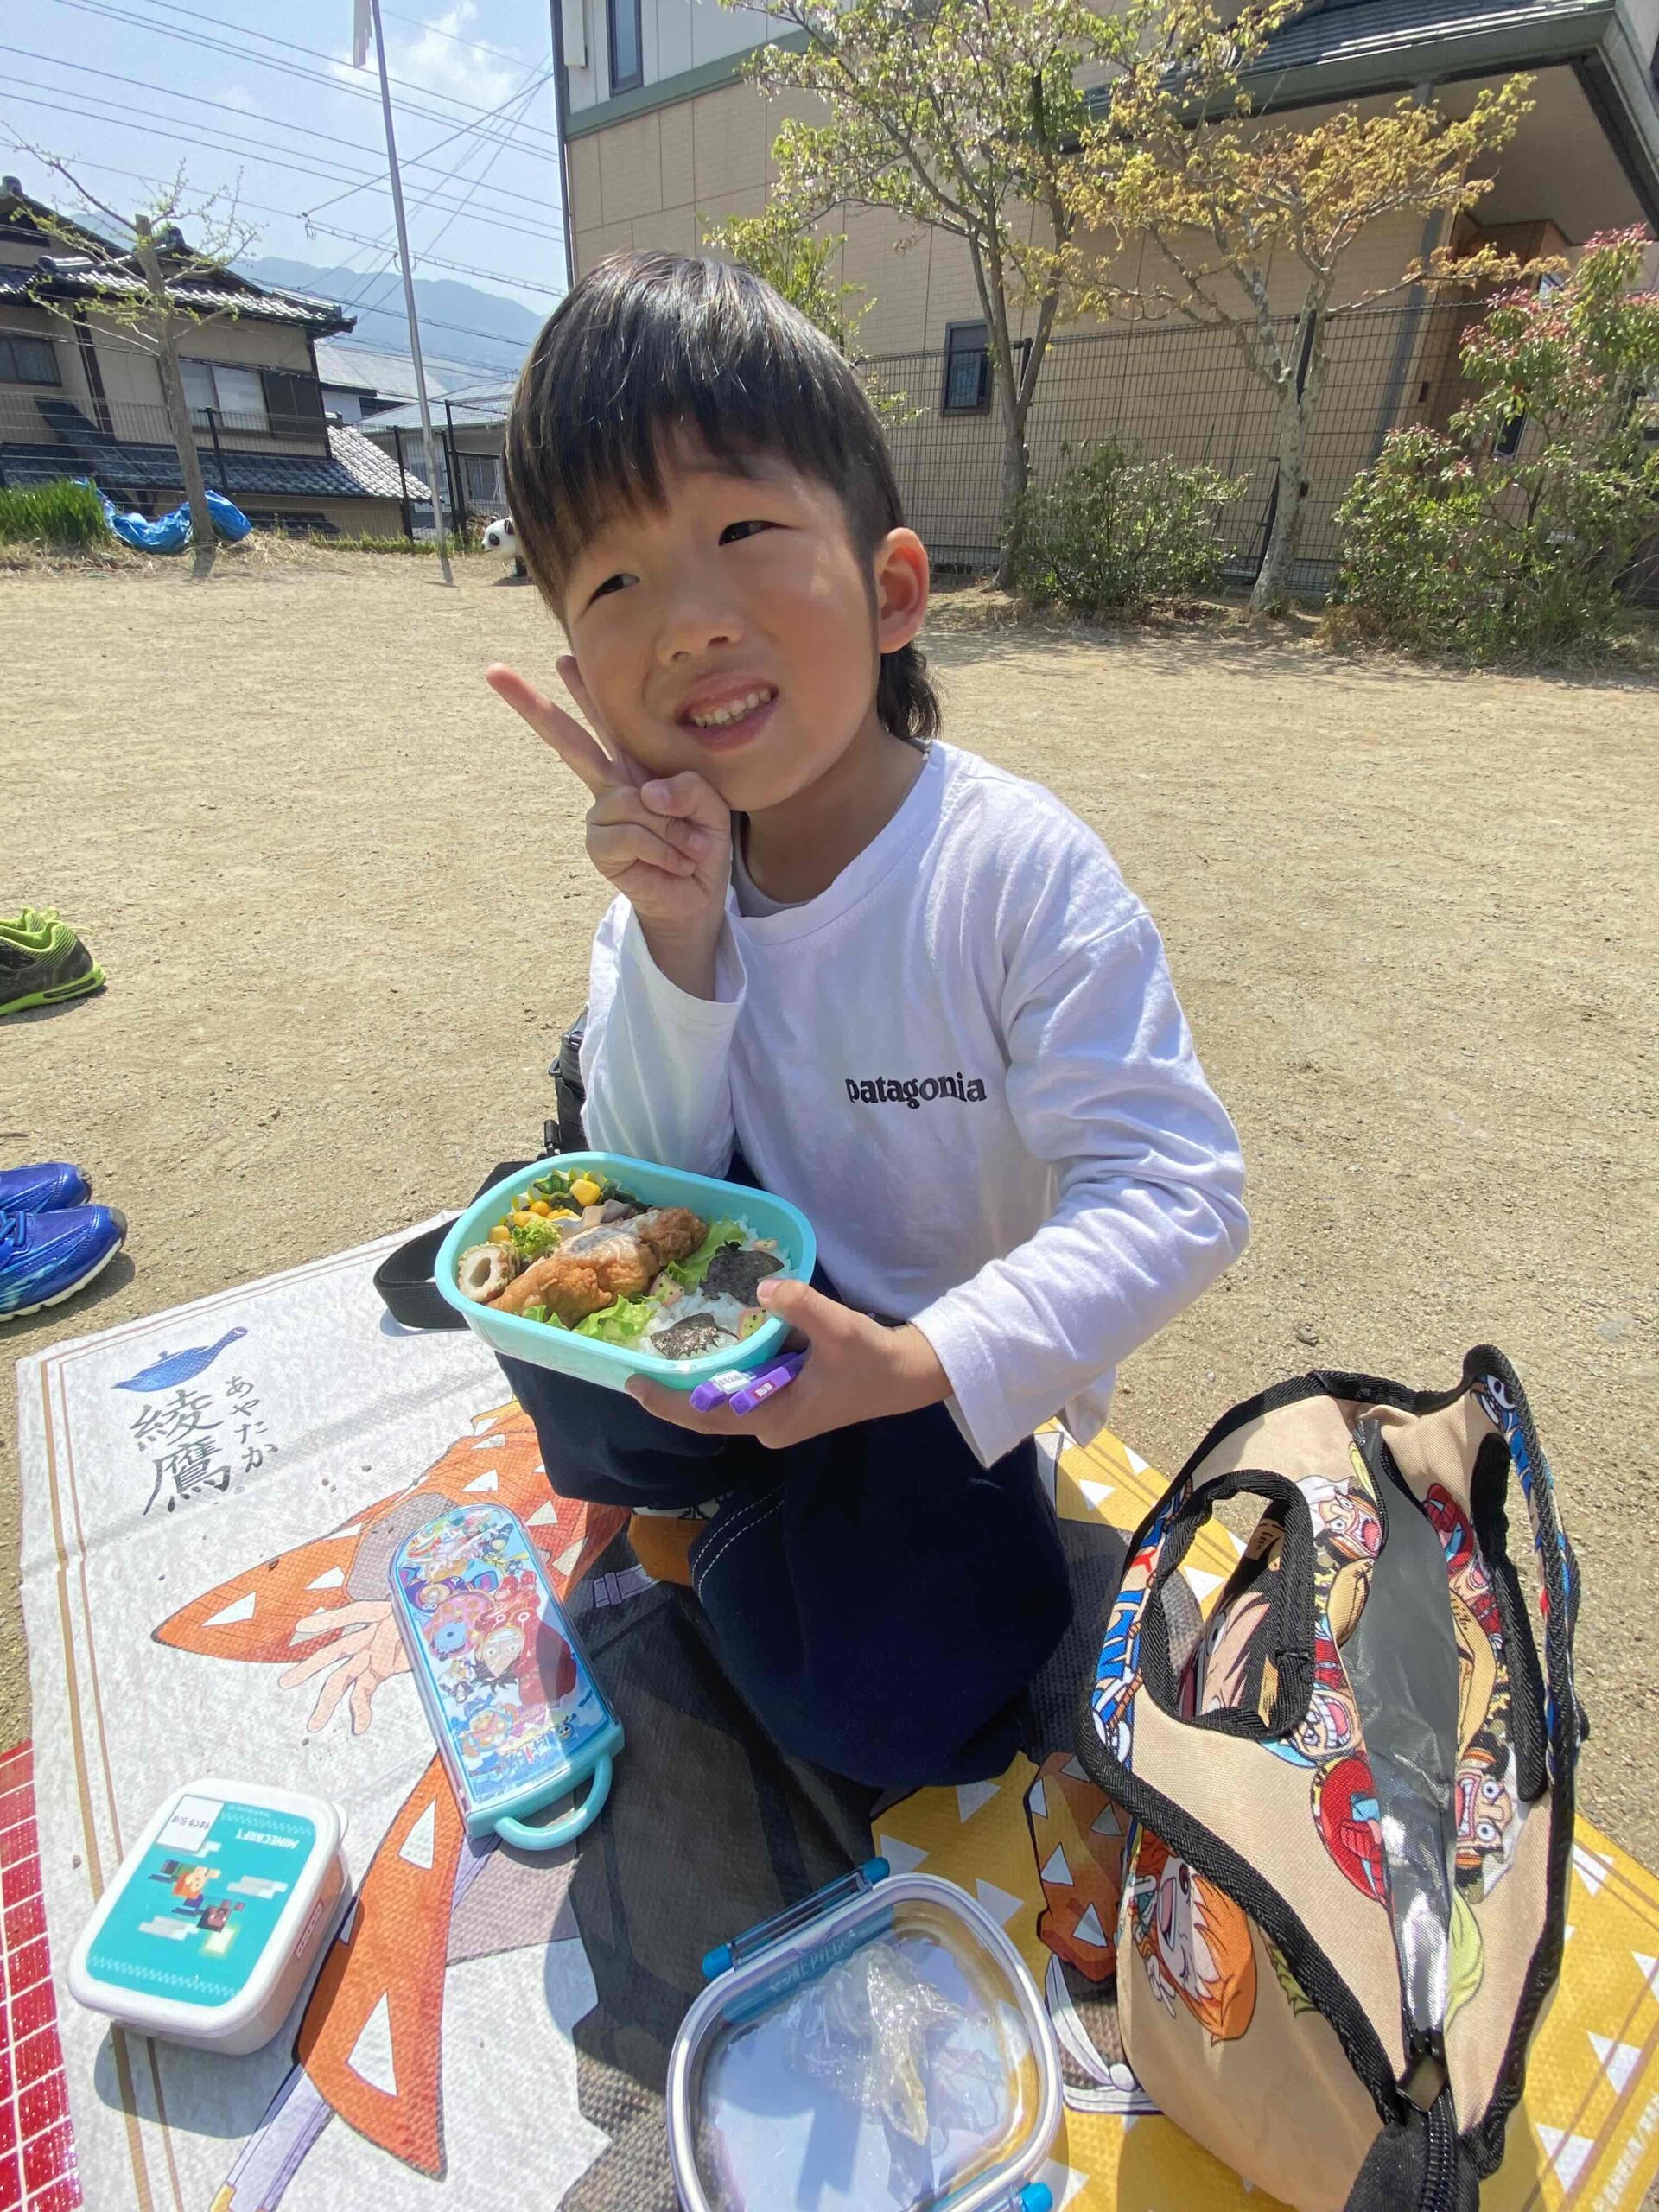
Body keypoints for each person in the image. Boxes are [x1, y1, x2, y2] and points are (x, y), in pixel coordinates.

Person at [484, 251, 1249, 1790]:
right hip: (747, 1327)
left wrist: (914, 1363)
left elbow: (1180, 1190)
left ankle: (733, 1533)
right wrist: (679, 934)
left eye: (740, 533)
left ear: (892, 590)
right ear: (583, 675)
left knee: (900, 1712)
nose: (687, 623)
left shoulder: (1012, 873)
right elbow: (646, 1190)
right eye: (617, 583)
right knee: (525, 1277)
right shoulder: (663, 891)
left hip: (925, 1378)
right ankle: (724, 1501)